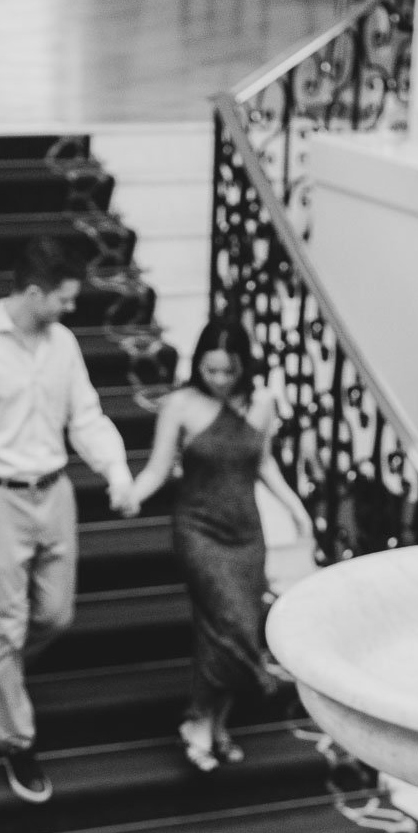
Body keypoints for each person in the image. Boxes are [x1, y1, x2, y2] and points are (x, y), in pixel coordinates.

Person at [0, 235, 136, 803]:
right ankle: (17, 740)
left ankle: (1, 670)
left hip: (54, 491)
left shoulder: (62, 345)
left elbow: (85, 415)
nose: (72, 308)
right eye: (64, 298)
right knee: (4, 624)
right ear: (36, 291)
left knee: (56, 614)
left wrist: (115, 470)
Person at [128, 317, 313, 772]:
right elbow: (156, 468)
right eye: (210, 370)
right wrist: (132, 492)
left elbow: (263, 463)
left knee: (231, 629)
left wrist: (296, 509)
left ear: (244, 368)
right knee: (230, 623)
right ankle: (200, 722)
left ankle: (212, 724)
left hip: (247, 534)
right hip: (198, 531)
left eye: (228, 372)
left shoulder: (263, 403)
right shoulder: (180, 405)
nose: (218, 380)